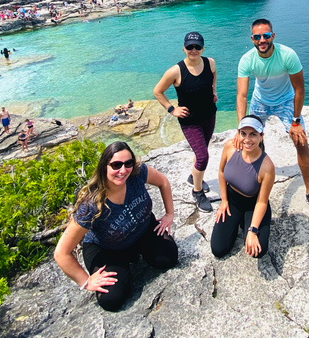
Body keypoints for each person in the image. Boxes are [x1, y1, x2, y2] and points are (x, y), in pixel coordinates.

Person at [53, 142, 178, 312]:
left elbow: (163, 182)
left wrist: (169, 214)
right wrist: (85, 281)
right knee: (111, 299)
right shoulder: (92, 205)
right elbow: (61, 253)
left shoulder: (138, 174)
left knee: (168, 257)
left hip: (142, 231)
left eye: (128, 163)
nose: (123, 170)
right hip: (107, 248)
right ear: (104, 166)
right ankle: (123, 265)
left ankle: (134, 256)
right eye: (116, 165)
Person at [236, 18, 309, 224]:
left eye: (266, 36)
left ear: (272, 36)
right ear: (252, 39)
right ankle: (256, 185)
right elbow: (241, 95)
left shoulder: (287, 55)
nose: (262, 40)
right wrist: (241, 126)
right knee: (250, 143)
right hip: (260, 101)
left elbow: (299, 89)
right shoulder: (247, 60)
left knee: (301, 141)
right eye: (257, 37)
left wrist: (295, 121)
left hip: (285, 101)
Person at [153, 31, 217, 213]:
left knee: (201, 150)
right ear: (184, 48)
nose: (194, 50)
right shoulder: (175, 71)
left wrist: (213, 91)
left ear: (203, 48)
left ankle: (193, 176)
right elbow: (158, 91)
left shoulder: (209, 62)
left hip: (209, 115)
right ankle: (197, 192)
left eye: (197, 47)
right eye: (190, 47)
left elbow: (213, 74)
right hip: (190, 121)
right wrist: (172, 109)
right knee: (203, 157)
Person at [211, 116, 275, 258]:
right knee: (218, 249)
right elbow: (221, 172)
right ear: (238, 133)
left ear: (261, 136)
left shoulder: (267, 166)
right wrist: (224, 200)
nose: (247, 139)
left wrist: (253, 230)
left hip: (254, 204)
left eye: (253, 134)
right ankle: (237, 223)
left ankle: (246, 225)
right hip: (232, 200)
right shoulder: (230, 147)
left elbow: (262, 201)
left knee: (258, 251)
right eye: (243, 133)